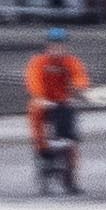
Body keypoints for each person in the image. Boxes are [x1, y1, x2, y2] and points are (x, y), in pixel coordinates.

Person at [25, 26, 92, 162]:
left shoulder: (71, 61)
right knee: (34, 110)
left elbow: (79, 75)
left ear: (65, 46)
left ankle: (70, 174)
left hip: (63, 100)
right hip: (43, 99)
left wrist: (81, 87)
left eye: (61, 44)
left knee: (71, 136)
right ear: (48, 45)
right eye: (54, 44)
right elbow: (33, 79)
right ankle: (41, 147)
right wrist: (40, 97)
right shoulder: (38, 62)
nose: (57, 48)